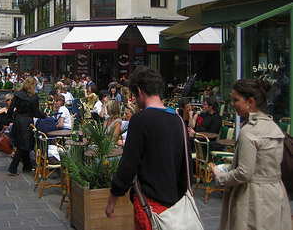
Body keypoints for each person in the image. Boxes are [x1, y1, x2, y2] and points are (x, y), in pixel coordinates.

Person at [105, 66, 191, 229]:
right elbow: (186, 169)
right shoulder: (179, 121)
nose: (134, 101)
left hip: (148, 203)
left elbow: (128, 165)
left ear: (139, 90)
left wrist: (113, 198)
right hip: (174, 204)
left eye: (134, 96)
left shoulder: (140, 119)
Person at [210, 79, 291, 230]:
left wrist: (220, 177)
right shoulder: (274, 126)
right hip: (276, 195)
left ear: (250, 101)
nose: (232, 104)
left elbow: (244, 173)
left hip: (253, 199)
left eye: (236, 100)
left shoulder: (249, 131)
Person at [6, 76, 46, 176]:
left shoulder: (18, 94)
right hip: (27, 121)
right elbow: (36, 113)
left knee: (22, 143)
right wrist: (44, 115)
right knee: (23, 145)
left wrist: (9, 119)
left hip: (17, 120)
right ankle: (12, 168)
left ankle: (27, 166)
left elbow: (11, 108)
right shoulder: (33, 98)